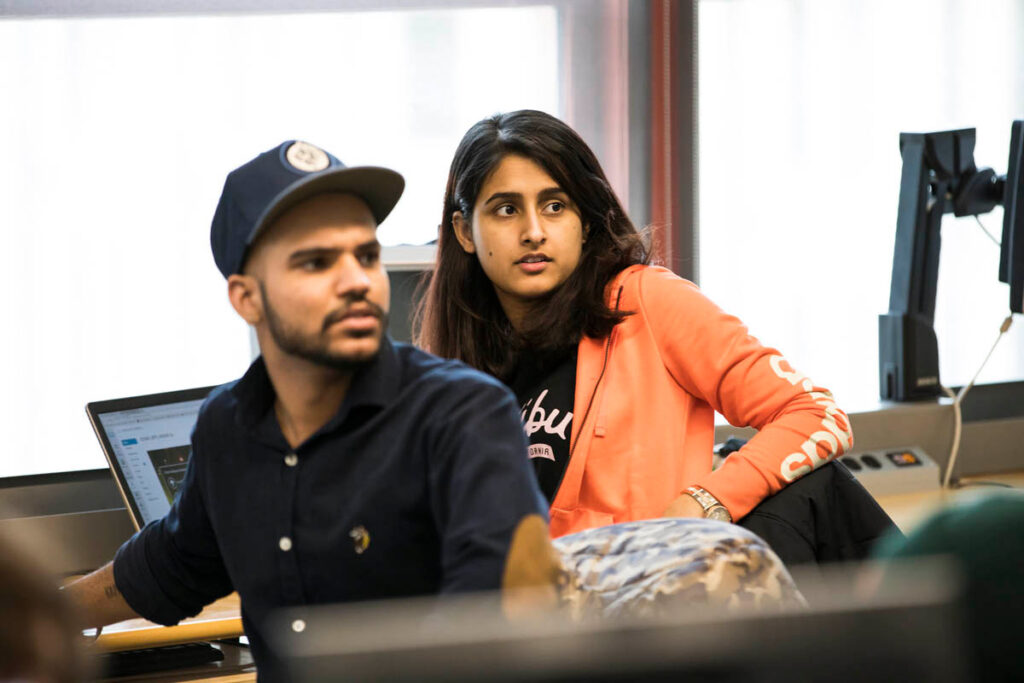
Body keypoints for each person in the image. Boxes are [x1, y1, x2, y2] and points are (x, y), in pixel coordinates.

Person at [64, 140, 551, 679]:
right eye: (316, 262)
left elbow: (494, 631)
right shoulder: (228, 424)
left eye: (366, 256)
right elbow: (174, 564)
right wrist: (38, 613)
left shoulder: (461, 415)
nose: (358, 281)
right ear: (246, 298)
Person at [415, 110, 855, 539]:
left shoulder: (645, 302)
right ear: (464, 232)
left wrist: (705, 502)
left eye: (554, 206)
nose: (534, 231)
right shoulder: (453, 369)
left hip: (659, 599)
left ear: (584, 222)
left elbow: (818, 414)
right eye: (506, 210)